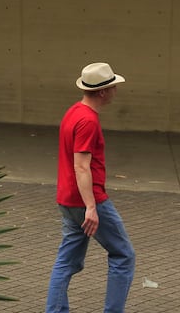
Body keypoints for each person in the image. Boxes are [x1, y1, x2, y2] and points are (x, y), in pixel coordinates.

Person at [45, 62, 135, 313]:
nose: (116, 89)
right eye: (113, 86)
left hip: (67, 198)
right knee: (123, 255)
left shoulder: (73, 111)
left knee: (66, 262)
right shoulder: (88, 121)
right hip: (87, 201)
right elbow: (82, 166)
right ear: (103, 92)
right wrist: (92, 207)